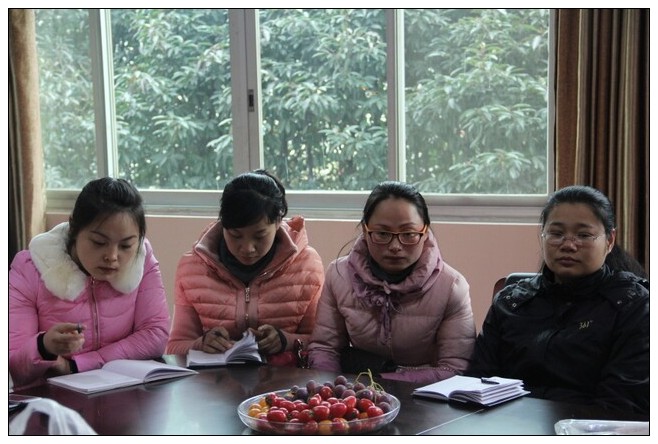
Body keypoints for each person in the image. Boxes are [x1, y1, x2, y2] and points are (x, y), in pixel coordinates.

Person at [466, 185, 649, 415]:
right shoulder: (511, 302)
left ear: (610, 240)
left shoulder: (633, 305)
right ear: (542, 235)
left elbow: (623, 402)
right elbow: (477, 382)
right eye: (556, 234)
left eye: (583, 235)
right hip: (507, 425)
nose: (568, 245)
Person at [307, 181, 476, 384]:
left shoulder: (451, 286)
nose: (395, 246)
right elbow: (325, 349)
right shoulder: (339, 275)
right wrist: (333, 391)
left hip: (424, 395)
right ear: (365, 230)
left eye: (408, 234)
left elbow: (455, 369)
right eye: (382, 234)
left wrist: (382, 382)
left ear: (425, 232)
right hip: (357, 394)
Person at [9, 178, 170, 390]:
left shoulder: (141, 258)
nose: (112, 256)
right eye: (99, 242)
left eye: (126, 245)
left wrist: (77, 365)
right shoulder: (29, 268)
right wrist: (44, 346)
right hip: (53, 400)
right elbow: (15, 368)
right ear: (74, 229)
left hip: (124, 394)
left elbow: (156, 334)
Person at [166, 169, 324, 365]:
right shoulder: (192, 268)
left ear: (278, 221)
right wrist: (201, 344)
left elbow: (322, 344)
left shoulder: (306, 265)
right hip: (215, 380)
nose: (247, 248)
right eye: (235, 235)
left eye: (259, 236)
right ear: (223, 224)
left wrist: (286, 341)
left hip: (284, 380)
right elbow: (175, 347)